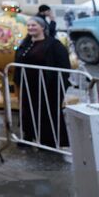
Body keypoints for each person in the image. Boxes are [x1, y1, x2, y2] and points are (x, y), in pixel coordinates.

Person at [14, 15, 72, 149]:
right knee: (28, 111)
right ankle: (29, 136)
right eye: (28, 25)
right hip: (28, 85)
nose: (30, 28)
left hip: (48, 86)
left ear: (42, 27)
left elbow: (64, 65)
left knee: (47, 113)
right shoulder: (25, 44)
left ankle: (48, 141)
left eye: (33, 25)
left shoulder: (54, 45)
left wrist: (58, 83)